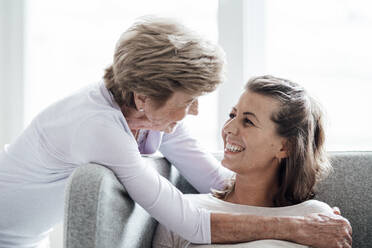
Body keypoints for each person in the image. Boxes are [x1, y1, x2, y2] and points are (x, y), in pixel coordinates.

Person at [0, 17, 351, 248]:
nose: (197, 111)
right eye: (190, 100)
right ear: (143, 97)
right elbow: (191, 224)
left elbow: (216, 182)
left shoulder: (153, 117)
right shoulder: (98, 127)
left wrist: (296, 208)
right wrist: (292, 227)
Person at [152, 75, 348, 248]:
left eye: (248, 122)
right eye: (232, 115)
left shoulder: (316, 218)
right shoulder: (184, 211)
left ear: (285, 147)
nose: (229, 128)